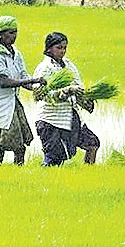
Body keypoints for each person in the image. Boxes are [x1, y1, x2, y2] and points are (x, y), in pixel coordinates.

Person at [0, 15, 45, 165]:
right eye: (10, 32)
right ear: (0, 34)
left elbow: (22, 76)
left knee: (20, 146)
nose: (14, 36)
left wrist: (37, 88)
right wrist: (32, 80)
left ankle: (18, 174)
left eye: (15, 32)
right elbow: (4, 82)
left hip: (12, 104)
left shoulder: (15, 52)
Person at [33, 32, 100, 166]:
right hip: (51, 120)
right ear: (49, 48)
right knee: (54, 158)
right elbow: (41, 95)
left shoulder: (69, 65)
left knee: (92, 143)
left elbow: (78, 86)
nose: (62, 51)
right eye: (59, 48)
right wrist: (67, 91)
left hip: (72, 117)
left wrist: (86, 98)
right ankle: (42, 179)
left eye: (64, 48)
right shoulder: (44, 68)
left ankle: (88, 174)